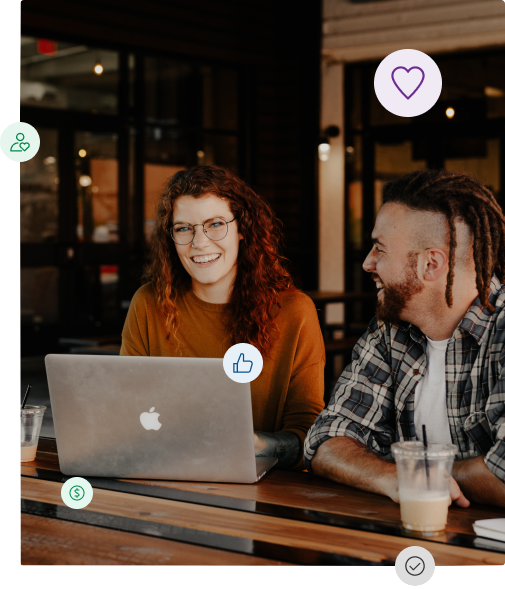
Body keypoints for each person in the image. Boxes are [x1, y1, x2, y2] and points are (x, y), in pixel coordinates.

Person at [304, 169, 505, 507]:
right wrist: (389, 477)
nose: (368, 263)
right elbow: (326, 440)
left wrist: (415, 477)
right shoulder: (390, 330)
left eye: (380, 249)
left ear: (431, 264)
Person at [121, 165, 325, 469]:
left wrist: (256, 445)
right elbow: (123, 409)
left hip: (262, 489)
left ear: (242, 229)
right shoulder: (148, 303)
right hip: (162, 472)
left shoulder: (294, 311)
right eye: (183, 228)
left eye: (215, 224)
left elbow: (308, 433)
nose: (199, 242)